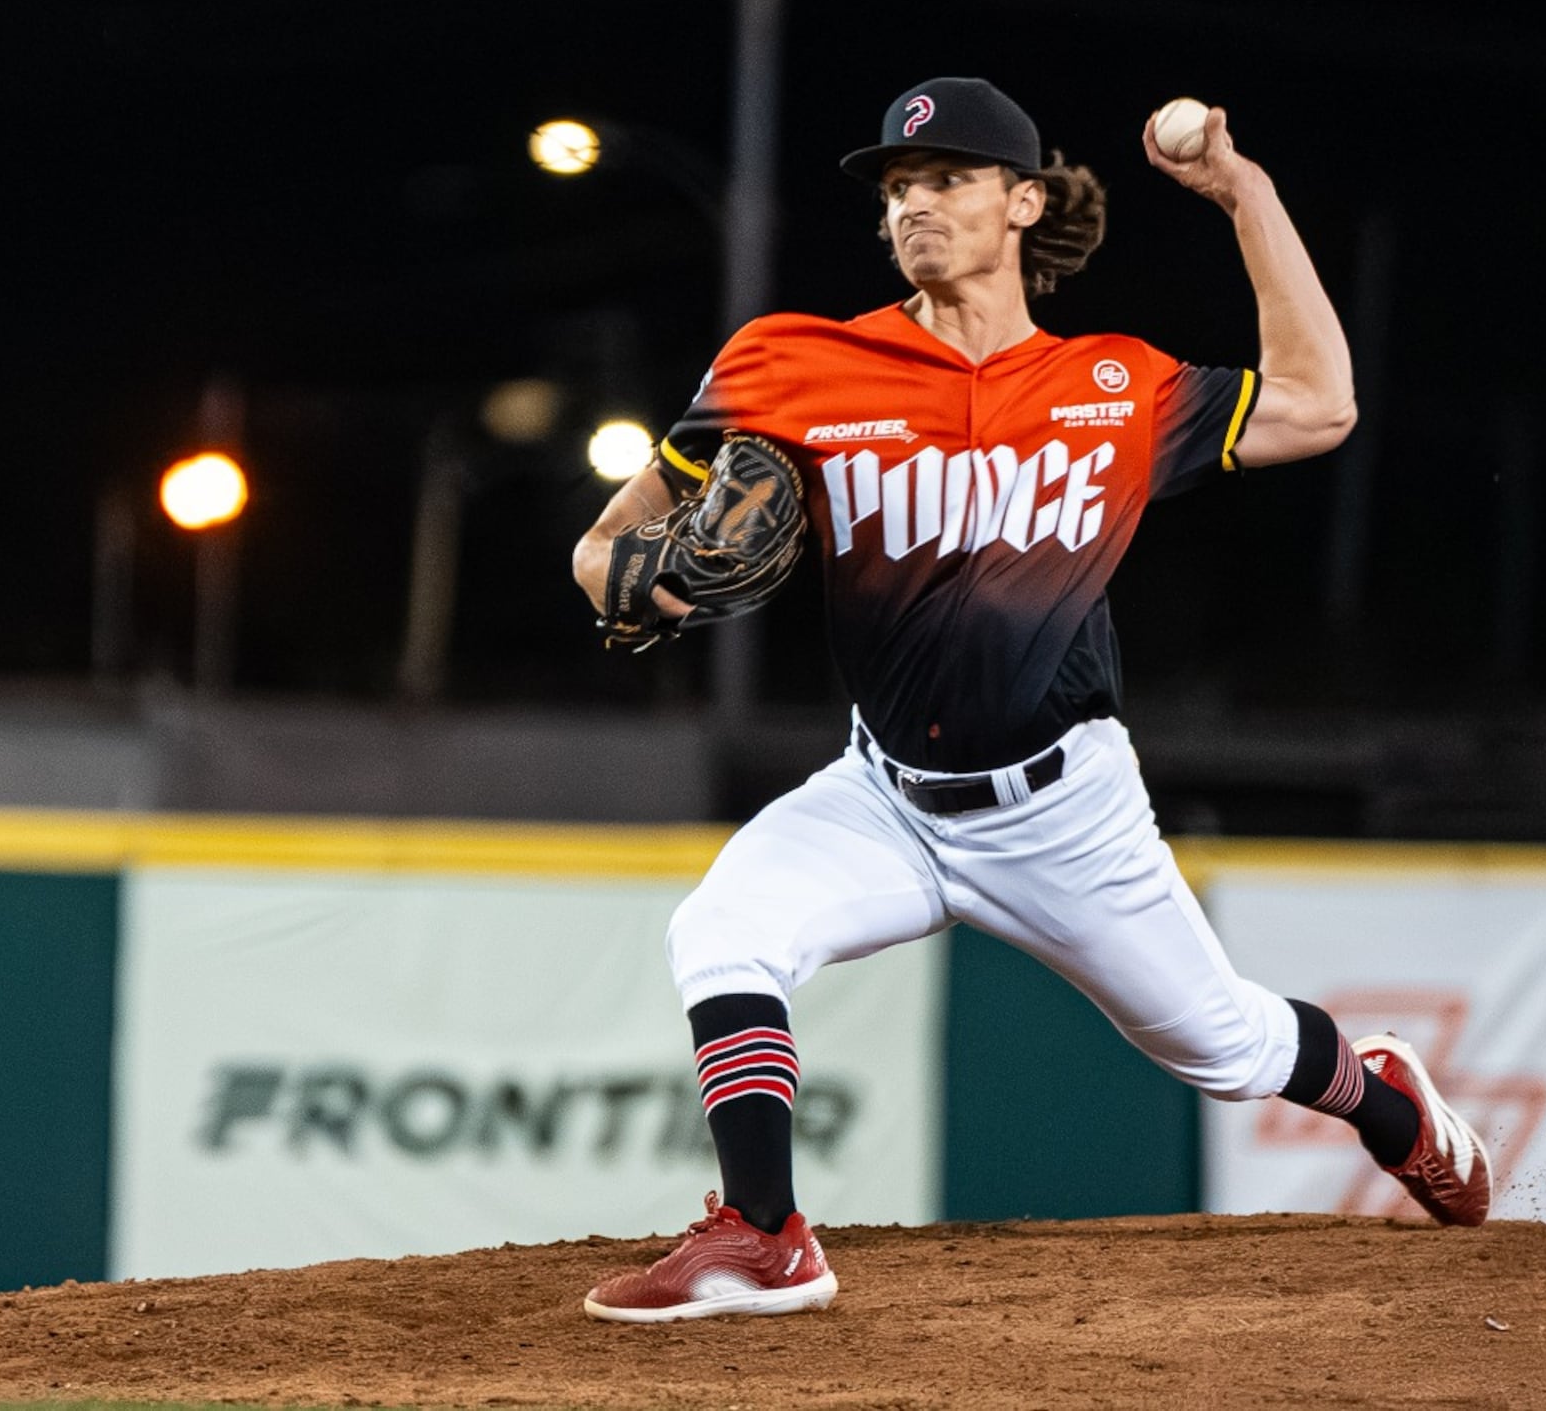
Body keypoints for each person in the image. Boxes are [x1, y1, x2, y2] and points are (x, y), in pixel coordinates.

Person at [569, 77, 1489, 1323]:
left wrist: (1243, 192)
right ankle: (766, 1234)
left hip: (1063, 811)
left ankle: (1384, 1094)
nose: (914, 206)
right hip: (881, 792)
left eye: (945, 179)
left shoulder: (1114, 384)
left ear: (1024, 203)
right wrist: (651, 582)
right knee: (723, 931)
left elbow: (1321, 405)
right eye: (898, 188)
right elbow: (610, 541)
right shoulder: (789, 361)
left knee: (1221, 1047)